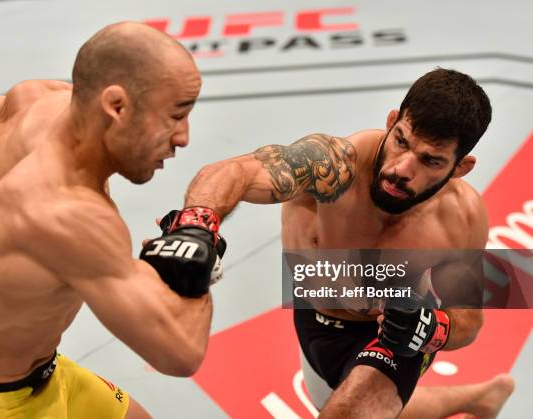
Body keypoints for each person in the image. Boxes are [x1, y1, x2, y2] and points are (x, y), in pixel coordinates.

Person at [0, 22, 225, 418]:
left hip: (42, 372)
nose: (183, 137)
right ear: (116, 106)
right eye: (175, 115)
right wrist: (199, 252)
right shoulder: (67, 215)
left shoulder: (35, 100)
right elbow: (180, 353)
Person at [179, 68, 514, 418]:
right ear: (391, 121)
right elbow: (238, 172)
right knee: (336, 404)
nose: (402, 168)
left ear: (460, 167)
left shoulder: (462, 216)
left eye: (430, 161)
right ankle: (478, 398)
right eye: (401, 141)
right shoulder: (334, 166)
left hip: (395, 334)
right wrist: (196, 224)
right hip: (316, 315)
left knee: (349, 411)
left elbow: (469, 322)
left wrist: (431, 329)